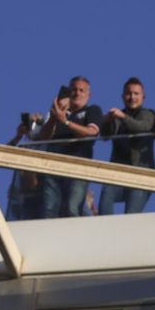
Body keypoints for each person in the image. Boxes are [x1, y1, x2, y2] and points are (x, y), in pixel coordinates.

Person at [30, 76, 103, 218]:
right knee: (50, 209)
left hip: (79, 166)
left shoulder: (92, 110)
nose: (77, 93)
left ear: (88, 95)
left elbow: (92, 132)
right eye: (74, 90)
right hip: (53, 165)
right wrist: (54, 116)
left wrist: (66, 122)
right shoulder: (61, 114)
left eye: (81, 90)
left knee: (72, 208)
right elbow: (44, 137)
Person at [99, 77, 155, 215]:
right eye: (128, 93)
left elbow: (142, 127)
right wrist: (107, 121)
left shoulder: (148, 114)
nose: (132, 97)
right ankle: (105, 230)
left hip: (141, 174)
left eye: (136, 94)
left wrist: (122, 117)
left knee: (131, 214)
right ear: (122, 97)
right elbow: (104, 135)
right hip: (119, 173)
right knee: (106, 194)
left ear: (143, 97)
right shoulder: (118, 116)